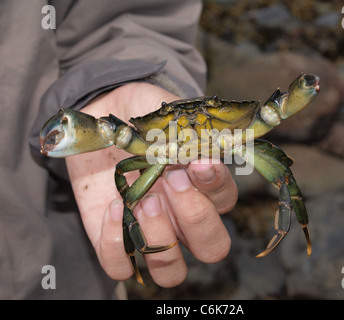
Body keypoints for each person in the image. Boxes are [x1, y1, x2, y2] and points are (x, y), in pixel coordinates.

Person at [1, 0, 237, 299]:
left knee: (129, 205)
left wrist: (114, 83)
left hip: (64, 279)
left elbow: (127, 13)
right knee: (129, 205)